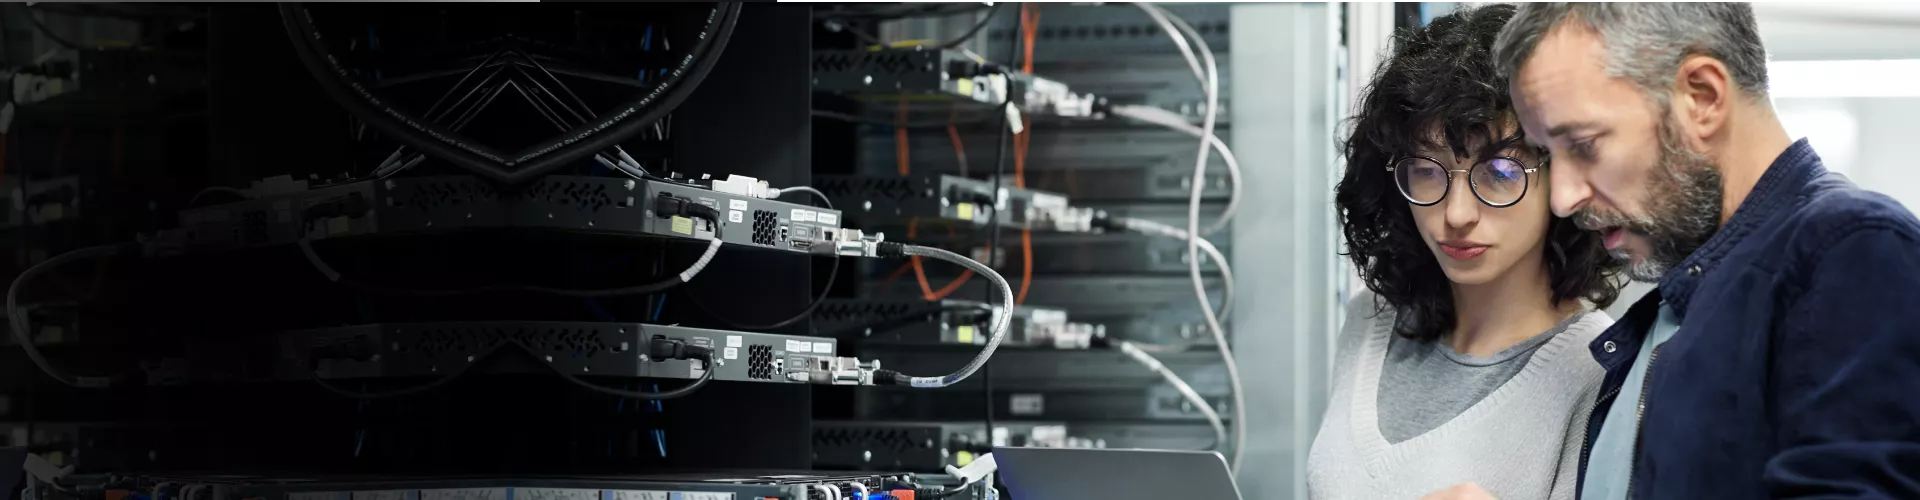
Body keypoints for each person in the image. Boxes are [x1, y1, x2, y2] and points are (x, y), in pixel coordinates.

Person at [1461, 1, 1920, 499]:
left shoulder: (1850, 250)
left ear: (1701, 97)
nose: (1563, 198)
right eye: (1551, 155)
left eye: (1585, 145)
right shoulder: (1682, 297)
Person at [1308, 5, 1624, 499]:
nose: (1456, 214)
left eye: (1499, 174)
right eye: (1428, 170)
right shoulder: (1366, 325)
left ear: (1561, 177)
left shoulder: (1598, 374)